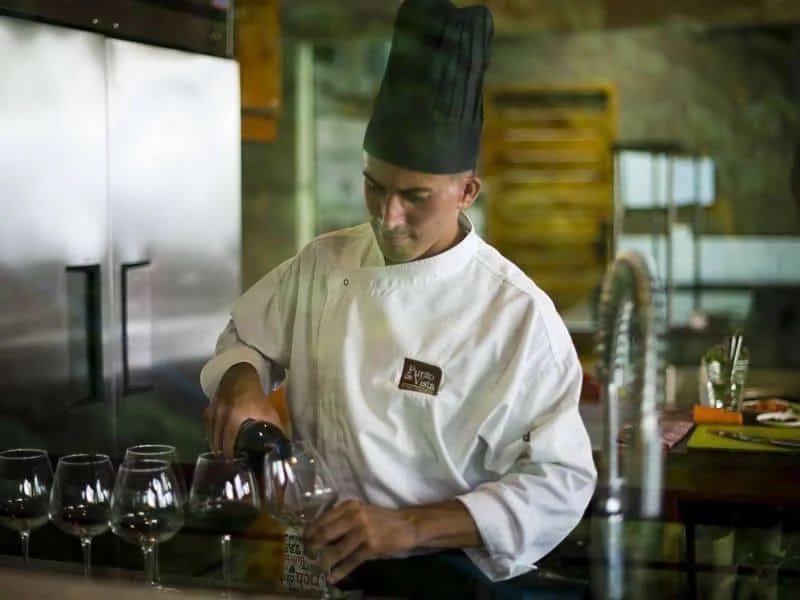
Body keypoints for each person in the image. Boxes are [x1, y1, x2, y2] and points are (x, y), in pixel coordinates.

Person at [201, 0, 597, 597]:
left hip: (446, 577)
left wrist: (409, 527)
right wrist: (241, 382)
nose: (387, 217)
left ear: (467, 190)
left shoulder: (515, 314)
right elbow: (245, 338)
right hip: (316, 564)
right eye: (374, 186)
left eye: (414, 197)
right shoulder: (323, 263)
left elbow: (560, 482)